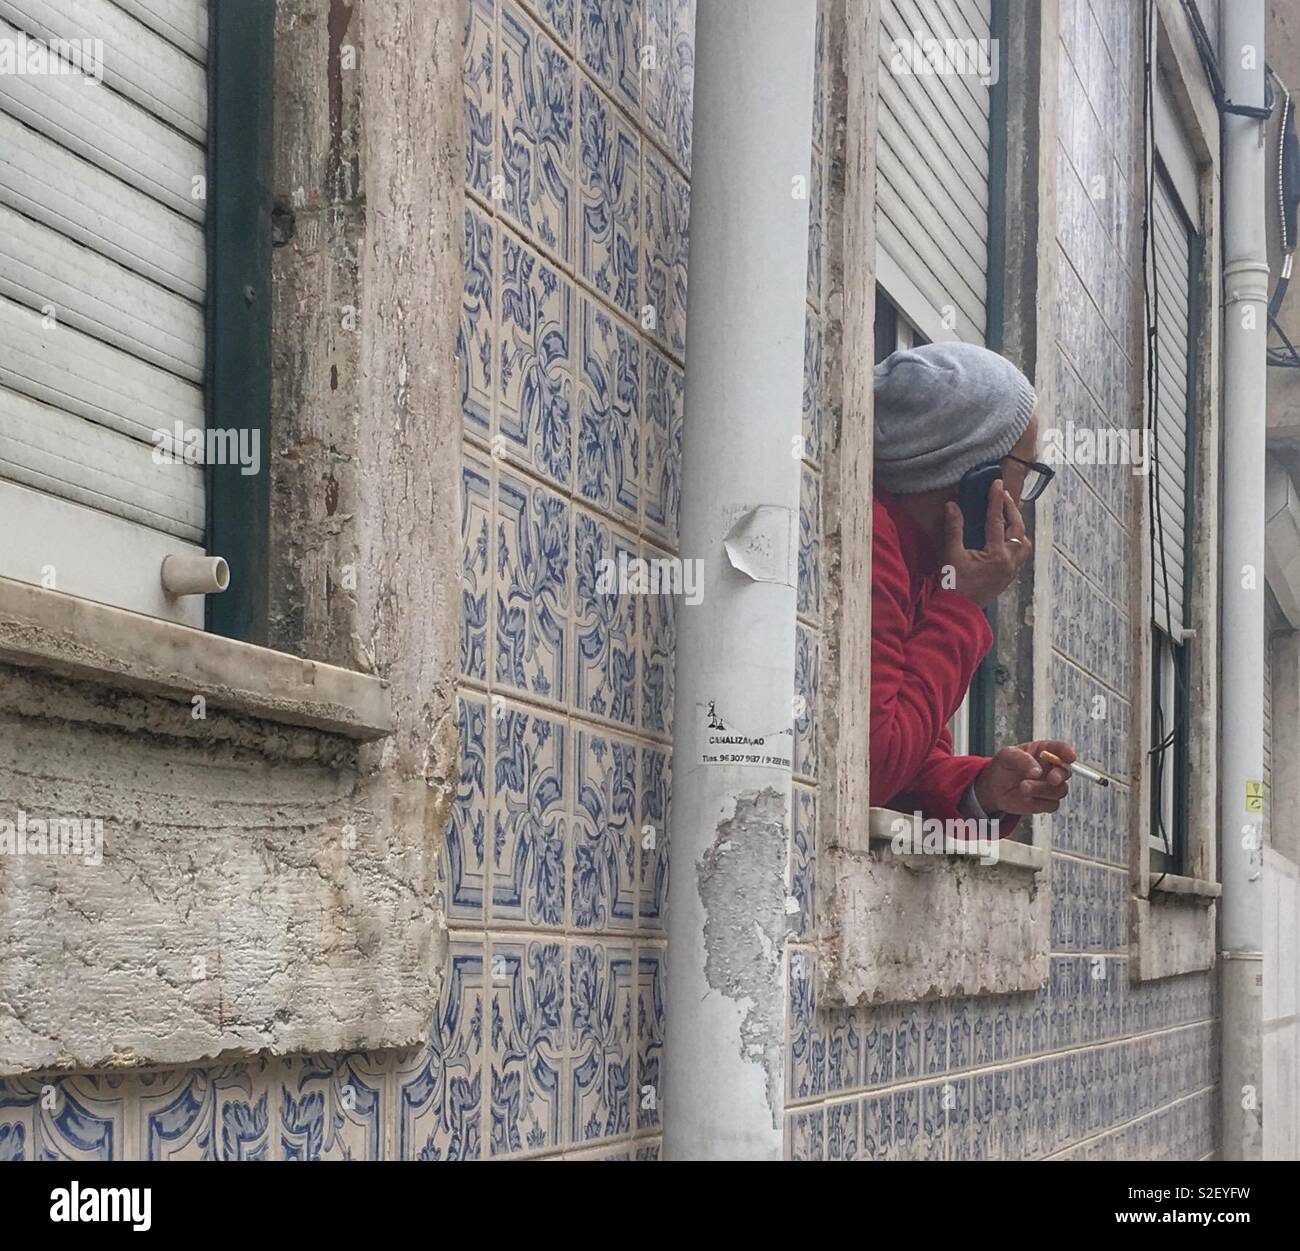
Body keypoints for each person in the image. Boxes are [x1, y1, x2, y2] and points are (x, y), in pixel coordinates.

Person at [870, 341, 1077, 833]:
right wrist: (962, 607)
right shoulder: (873, 542)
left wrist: (982, 789)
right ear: (974, 476)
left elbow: (910, 767)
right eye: (1024, 472)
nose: (1021, 500)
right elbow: (872, 770)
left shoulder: (918, 563)